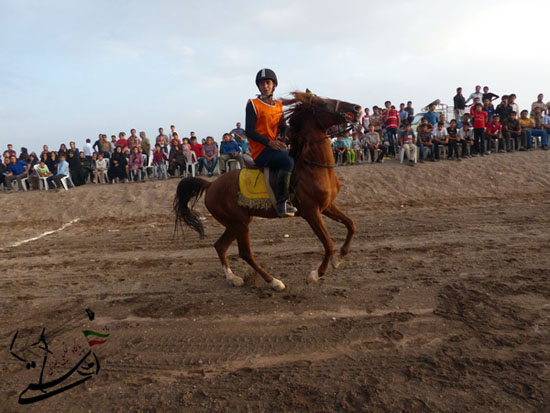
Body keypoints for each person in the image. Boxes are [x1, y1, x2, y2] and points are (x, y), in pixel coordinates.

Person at [245, 68, 296, 217]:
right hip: (261, 151)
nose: (265, 86)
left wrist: (290, 135)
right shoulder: (253, 104)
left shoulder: (279, 106)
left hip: (274, 147)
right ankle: (281, 204)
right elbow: (249, 131)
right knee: (288, 163)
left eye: (268, 83)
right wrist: (269, 143)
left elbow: (282, 127)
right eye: (261, 84)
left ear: (274, 85)